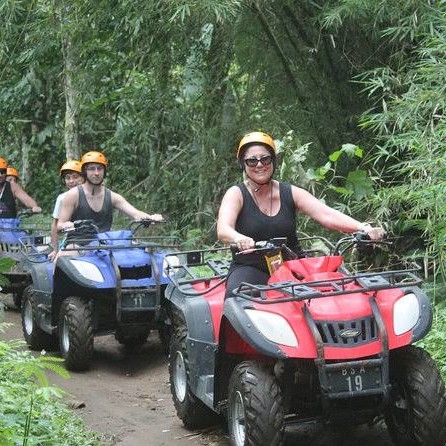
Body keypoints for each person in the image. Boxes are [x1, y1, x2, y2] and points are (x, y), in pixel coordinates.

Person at [217, 131, 386, 298]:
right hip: (251, 267)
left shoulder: (290, 192)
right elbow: (224, 229)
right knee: (238, 298)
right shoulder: (236, 194)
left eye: (265, 158)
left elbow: (327, 215)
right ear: (243, 164)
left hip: (294, 266)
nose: (259, 164)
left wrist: (362, 227)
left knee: (338, 295)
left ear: (273, 161)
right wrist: (238, 238)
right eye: (252, 160)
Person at [57, 150, 163, 248]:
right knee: (67, 256)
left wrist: (150, 217)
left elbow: (135, 213)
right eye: (92, 169)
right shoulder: (73, 195)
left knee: (138, 249)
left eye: (100, 168)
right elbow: (59, 226)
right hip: (78, 244)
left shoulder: (112, 196)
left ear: (104, 171)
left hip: (104, 243)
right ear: (85, 172)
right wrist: (66, 225)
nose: (96, 173)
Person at [48, 160, 84, 261]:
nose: (71, 181)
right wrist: (55, 250)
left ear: (83, 178)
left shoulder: (92, 195)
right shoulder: (62, 198)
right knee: (59, 263)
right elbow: (55, 225)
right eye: (68, 178)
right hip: (72, 240)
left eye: (75, 177)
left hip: (92, 239)